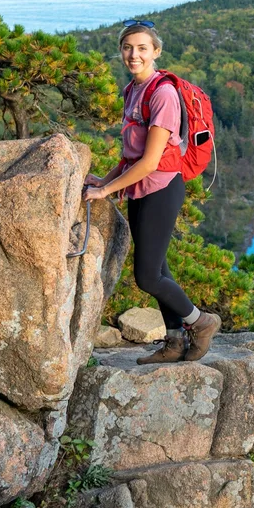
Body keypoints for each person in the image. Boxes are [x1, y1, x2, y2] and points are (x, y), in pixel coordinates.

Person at [83, 20, 221, 364]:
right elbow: (131, 155)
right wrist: (105, 180)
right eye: (128, 47)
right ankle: (174, 343)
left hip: (161, 187)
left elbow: (149, 161)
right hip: (140, 188)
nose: (134, 54)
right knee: (159, 270)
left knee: (147, 277)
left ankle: (201, 322)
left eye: (142, 48)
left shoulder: (163, 95)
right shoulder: (133, 89)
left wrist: (106, 191)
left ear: (156, 51)